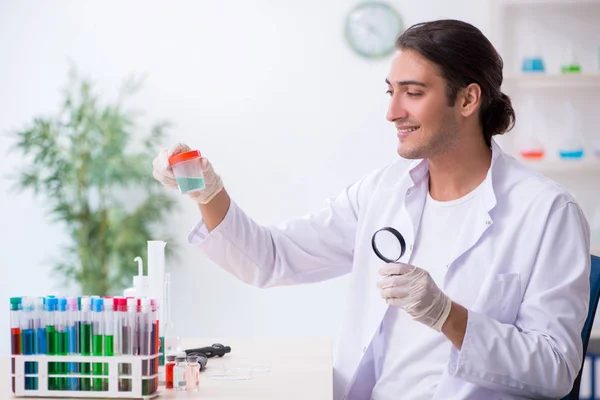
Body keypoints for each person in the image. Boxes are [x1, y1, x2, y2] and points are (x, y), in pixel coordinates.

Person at [152, 19, 591, 400]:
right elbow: (271, 260)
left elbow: (555, 370)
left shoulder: (546, 212)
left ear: (468, 100)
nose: (392, 112)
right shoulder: (383, 192)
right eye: (391, 92)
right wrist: (207, 191)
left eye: (413, 93)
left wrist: (447, 315)